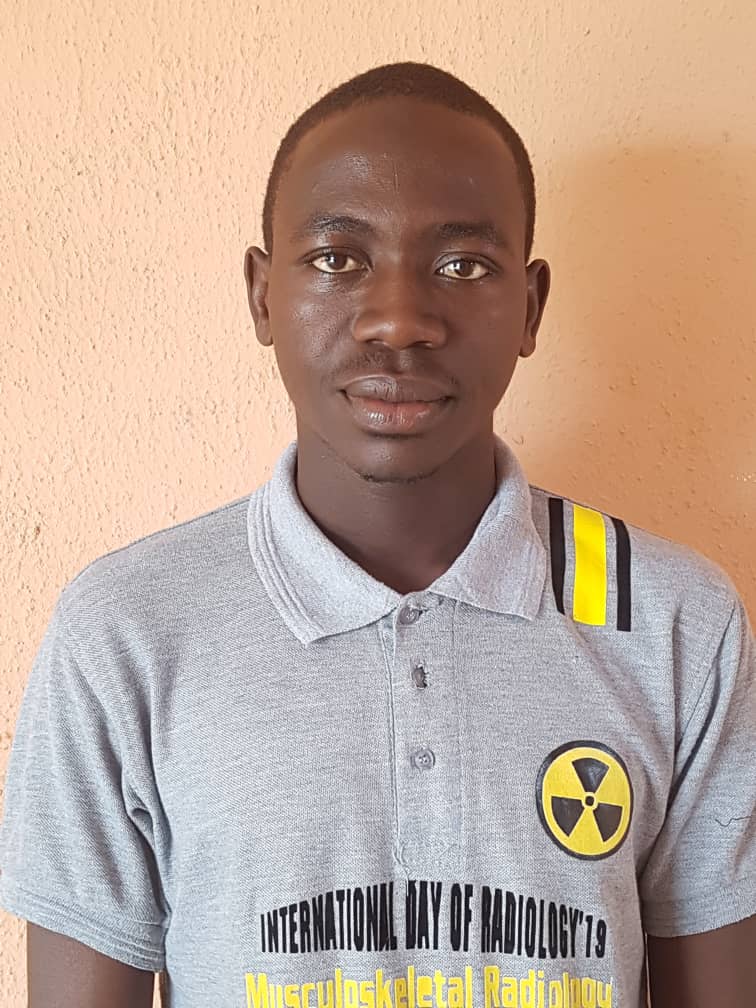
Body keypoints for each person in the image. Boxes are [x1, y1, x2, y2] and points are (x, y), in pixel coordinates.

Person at [0, 60, 753, 1008]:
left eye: (462, 265)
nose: (400, 321)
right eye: (337, 259)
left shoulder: (679, 623)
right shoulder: (129, 630)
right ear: (261, 295)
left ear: (530, 308)